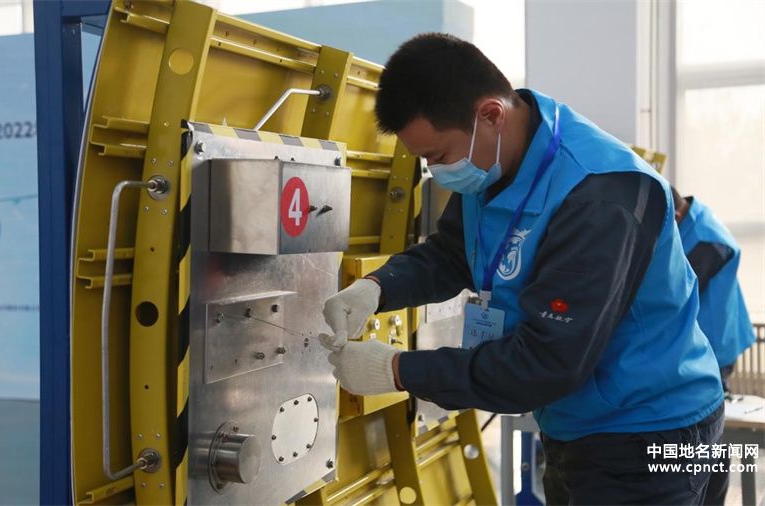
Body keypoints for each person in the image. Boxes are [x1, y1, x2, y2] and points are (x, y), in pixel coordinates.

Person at [318, 33, 725, 505]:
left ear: (492, 115)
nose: (438, 170)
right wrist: (376, 288)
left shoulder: (599, 195)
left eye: (439, 156)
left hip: (650, 435)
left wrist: (397, 370)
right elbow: (453, 252)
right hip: (583, 426)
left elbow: (546, 363)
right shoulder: (491, 164)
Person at [672, 187, 757, 505]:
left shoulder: (706, 239)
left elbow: (677, 294)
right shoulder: (693, 220)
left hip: (714, 346)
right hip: (709, 342)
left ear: (675, 213)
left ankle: (710, 497)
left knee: (709, 425)